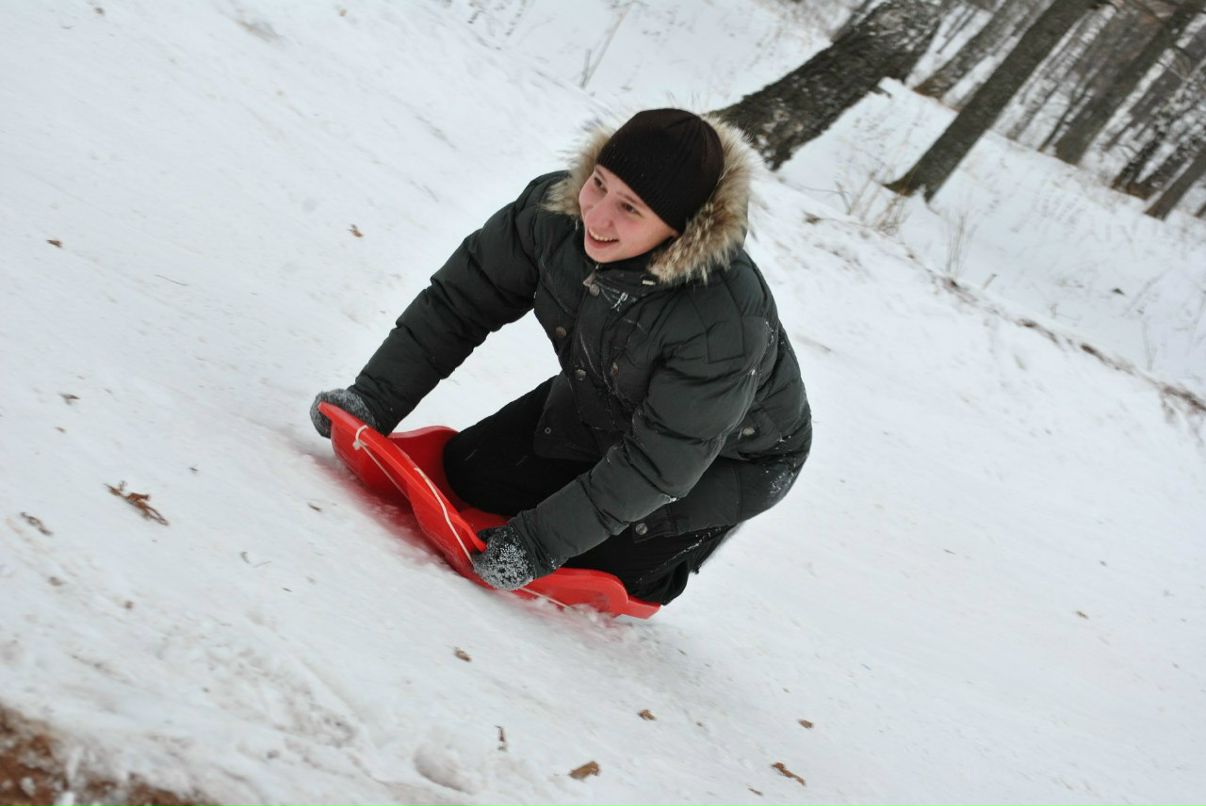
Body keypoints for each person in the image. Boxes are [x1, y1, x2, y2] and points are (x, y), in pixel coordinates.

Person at [311, 109, 812, 605]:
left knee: (604, 561)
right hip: (607, 396)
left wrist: (535, 546)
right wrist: (372, 401)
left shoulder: (721, 321)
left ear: (679, 230)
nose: (596, 216)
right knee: (471, 477)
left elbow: (657, 466)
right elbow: (458, 305)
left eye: (630, 208)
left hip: (725, 458)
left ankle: (675, 553)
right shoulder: (553, 214)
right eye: (598, 184)